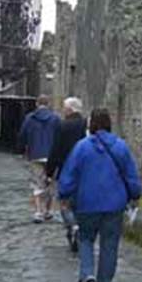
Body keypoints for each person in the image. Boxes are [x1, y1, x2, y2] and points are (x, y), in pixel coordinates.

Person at [57, 108, 142, 282]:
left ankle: (87, 273)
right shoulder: (121, 146)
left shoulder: (81, 147)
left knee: (86, 239)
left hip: (87, 203)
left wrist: (64, 194)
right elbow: (131, 175)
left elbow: (69, 175)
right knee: (109, 246)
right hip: (114, 205)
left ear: (91, 124)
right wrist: (135, 195)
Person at [46, 96, 87, 251]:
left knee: (64, 202)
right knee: (79, 202)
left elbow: (55, 150)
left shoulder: (62, 126)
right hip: (84, 171)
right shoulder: (86, 126)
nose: (63, 110)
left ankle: (73, 226)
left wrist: (49, 172)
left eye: (64, 108)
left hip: (66, 170)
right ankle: (78, 227)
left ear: (69, 110)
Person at [18, 95, 60, 223]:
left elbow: (23, 135)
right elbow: (59, 137)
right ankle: (48, 211)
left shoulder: (30, 118)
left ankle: (38, 212)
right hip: (52, 155)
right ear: (48, 104)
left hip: (35, 154)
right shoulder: (55, 119)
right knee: (50, 183)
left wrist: (21, 149)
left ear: (37, 104)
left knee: (37, 183)